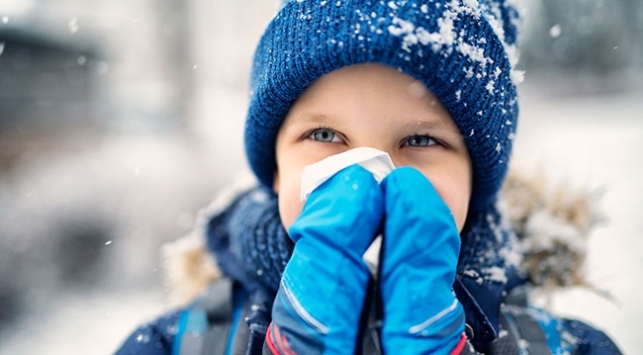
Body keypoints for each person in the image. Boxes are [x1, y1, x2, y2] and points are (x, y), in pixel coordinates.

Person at [116, 0, 622, 354]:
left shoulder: (568, 347)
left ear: (476, 179)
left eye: (421, 141)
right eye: (326, 134)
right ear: (274, 168)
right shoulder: (177, 343)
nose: (369, 176)